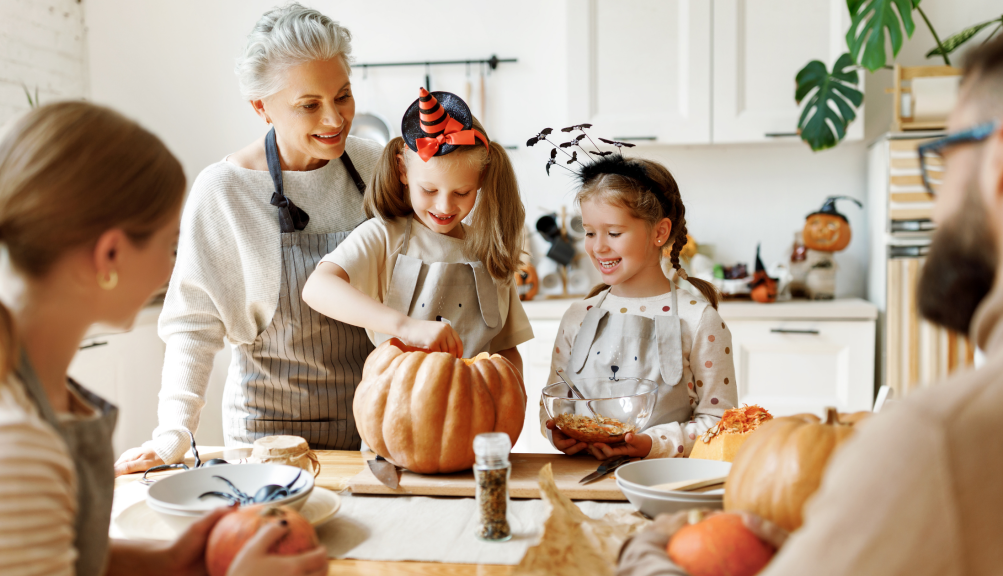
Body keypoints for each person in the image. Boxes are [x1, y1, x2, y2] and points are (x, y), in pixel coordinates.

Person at [617, 35, 1003, 575]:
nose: (935, 200)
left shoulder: (939, 440)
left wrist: (651, 545)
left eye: (943, 157)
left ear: (997, 170)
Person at [0, 102, 328, 576]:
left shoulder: (32, 390)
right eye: (169, 245)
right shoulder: (10, 446)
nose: (172, 268)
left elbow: (72, 557)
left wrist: (168, 562)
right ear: (110, 254)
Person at [115, 3, 383, 476]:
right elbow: (193, 323)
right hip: (267, 439)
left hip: (377, 424)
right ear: (261, 107)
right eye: (309, 105)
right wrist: (174, 432)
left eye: (342, 95)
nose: (334, 118)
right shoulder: (223, 190)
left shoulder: (375, 167)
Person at [303, 89, 532, 369]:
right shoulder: (385, 236)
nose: (445, 206)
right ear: (403, 171)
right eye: (429, 189)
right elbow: (317, 288)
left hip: (477, 405)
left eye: (462, 192)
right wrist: (406, 327)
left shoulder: (488, 249)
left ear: (481, 179)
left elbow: (506, 351)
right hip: (401, 402)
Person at [536, 147, 736, 461]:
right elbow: (555, 401)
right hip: (580, 478)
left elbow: (720, 422)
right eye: (589, 232)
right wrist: (555, 433)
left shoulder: (701, 321)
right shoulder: (578, 316)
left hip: (661, 482)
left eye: (614, 233)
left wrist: (651, 444)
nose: (598, 247)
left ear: (660, 232)